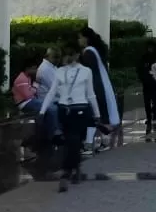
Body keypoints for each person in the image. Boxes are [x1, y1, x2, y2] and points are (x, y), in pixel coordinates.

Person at [41, 41, 99, 192]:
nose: (68, 57)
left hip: (80, 109)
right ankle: (71, 170)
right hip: (64, 109)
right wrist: (42, 110)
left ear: (77, 55)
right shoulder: (59, 71)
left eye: (71, 54)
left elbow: (91, 94)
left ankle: (70, 170)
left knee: (74, 140)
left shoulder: (86, 71)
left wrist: (97, 113)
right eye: (66, 55)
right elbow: (52, 91)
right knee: (71, 140)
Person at [78, 27, 120, 151]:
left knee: (94, 114)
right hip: (100, 85)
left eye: (79, 37)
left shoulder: (88, 53)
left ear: (86, 38)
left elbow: (88, 72)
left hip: (94, 86)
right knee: (100, 112)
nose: (78, 40)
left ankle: (89, 143)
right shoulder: (95, 51)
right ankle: (103, 141)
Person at [136, 40, 156, 138]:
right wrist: (142, 78)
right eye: (149, 47)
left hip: (155, 83)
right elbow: (139, 69)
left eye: (152, 47)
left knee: (155, 100)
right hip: (146, 83)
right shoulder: (143, 57)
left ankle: (155, 114)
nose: (150, 49)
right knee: (147, 101)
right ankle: (149, 117)